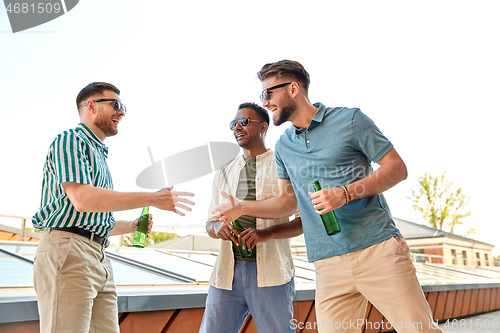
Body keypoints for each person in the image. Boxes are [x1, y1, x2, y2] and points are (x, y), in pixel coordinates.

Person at [212, 61, 441, 333]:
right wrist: (243, 207)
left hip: (377, 250)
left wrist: (345, 193)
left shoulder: (350, 120)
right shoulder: (285, 145)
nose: (266, 101)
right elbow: (287, 202)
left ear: (293, 88)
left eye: (268, 94)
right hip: (327, 264)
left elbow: (396, 168)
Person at [32, 82, 195, 333]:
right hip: (69, 252)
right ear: (90, 106)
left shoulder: (99, 154)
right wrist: (151, 198)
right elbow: (83, 200)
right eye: (116, 105)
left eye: (124, 108)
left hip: (98, 256)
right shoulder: (70, 140)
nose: (121, 113)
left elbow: (91, 219)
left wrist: (130, 227)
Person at [199, 102, 302, 333]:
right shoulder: (224, 171)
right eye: (234, 123)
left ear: (263, 126)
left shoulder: (283, 165)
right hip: (226, 275)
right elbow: (210, 222)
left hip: (272, 275)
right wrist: (218, 228)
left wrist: (266, 234)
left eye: (244, 122)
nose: (238, 127)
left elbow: (303, 220)